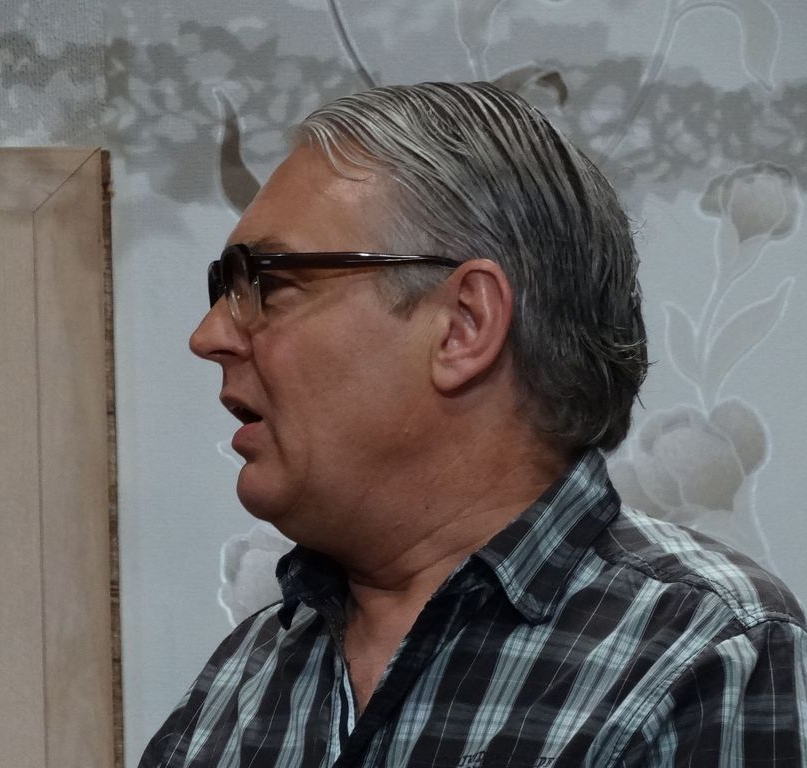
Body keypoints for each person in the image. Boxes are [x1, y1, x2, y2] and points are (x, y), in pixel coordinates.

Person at [141, 82, 807, 767]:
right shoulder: (239, 680)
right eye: (223, 287)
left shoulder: (704, 652)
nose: (209, 335)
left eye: (268, 282)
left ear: (464, 325)